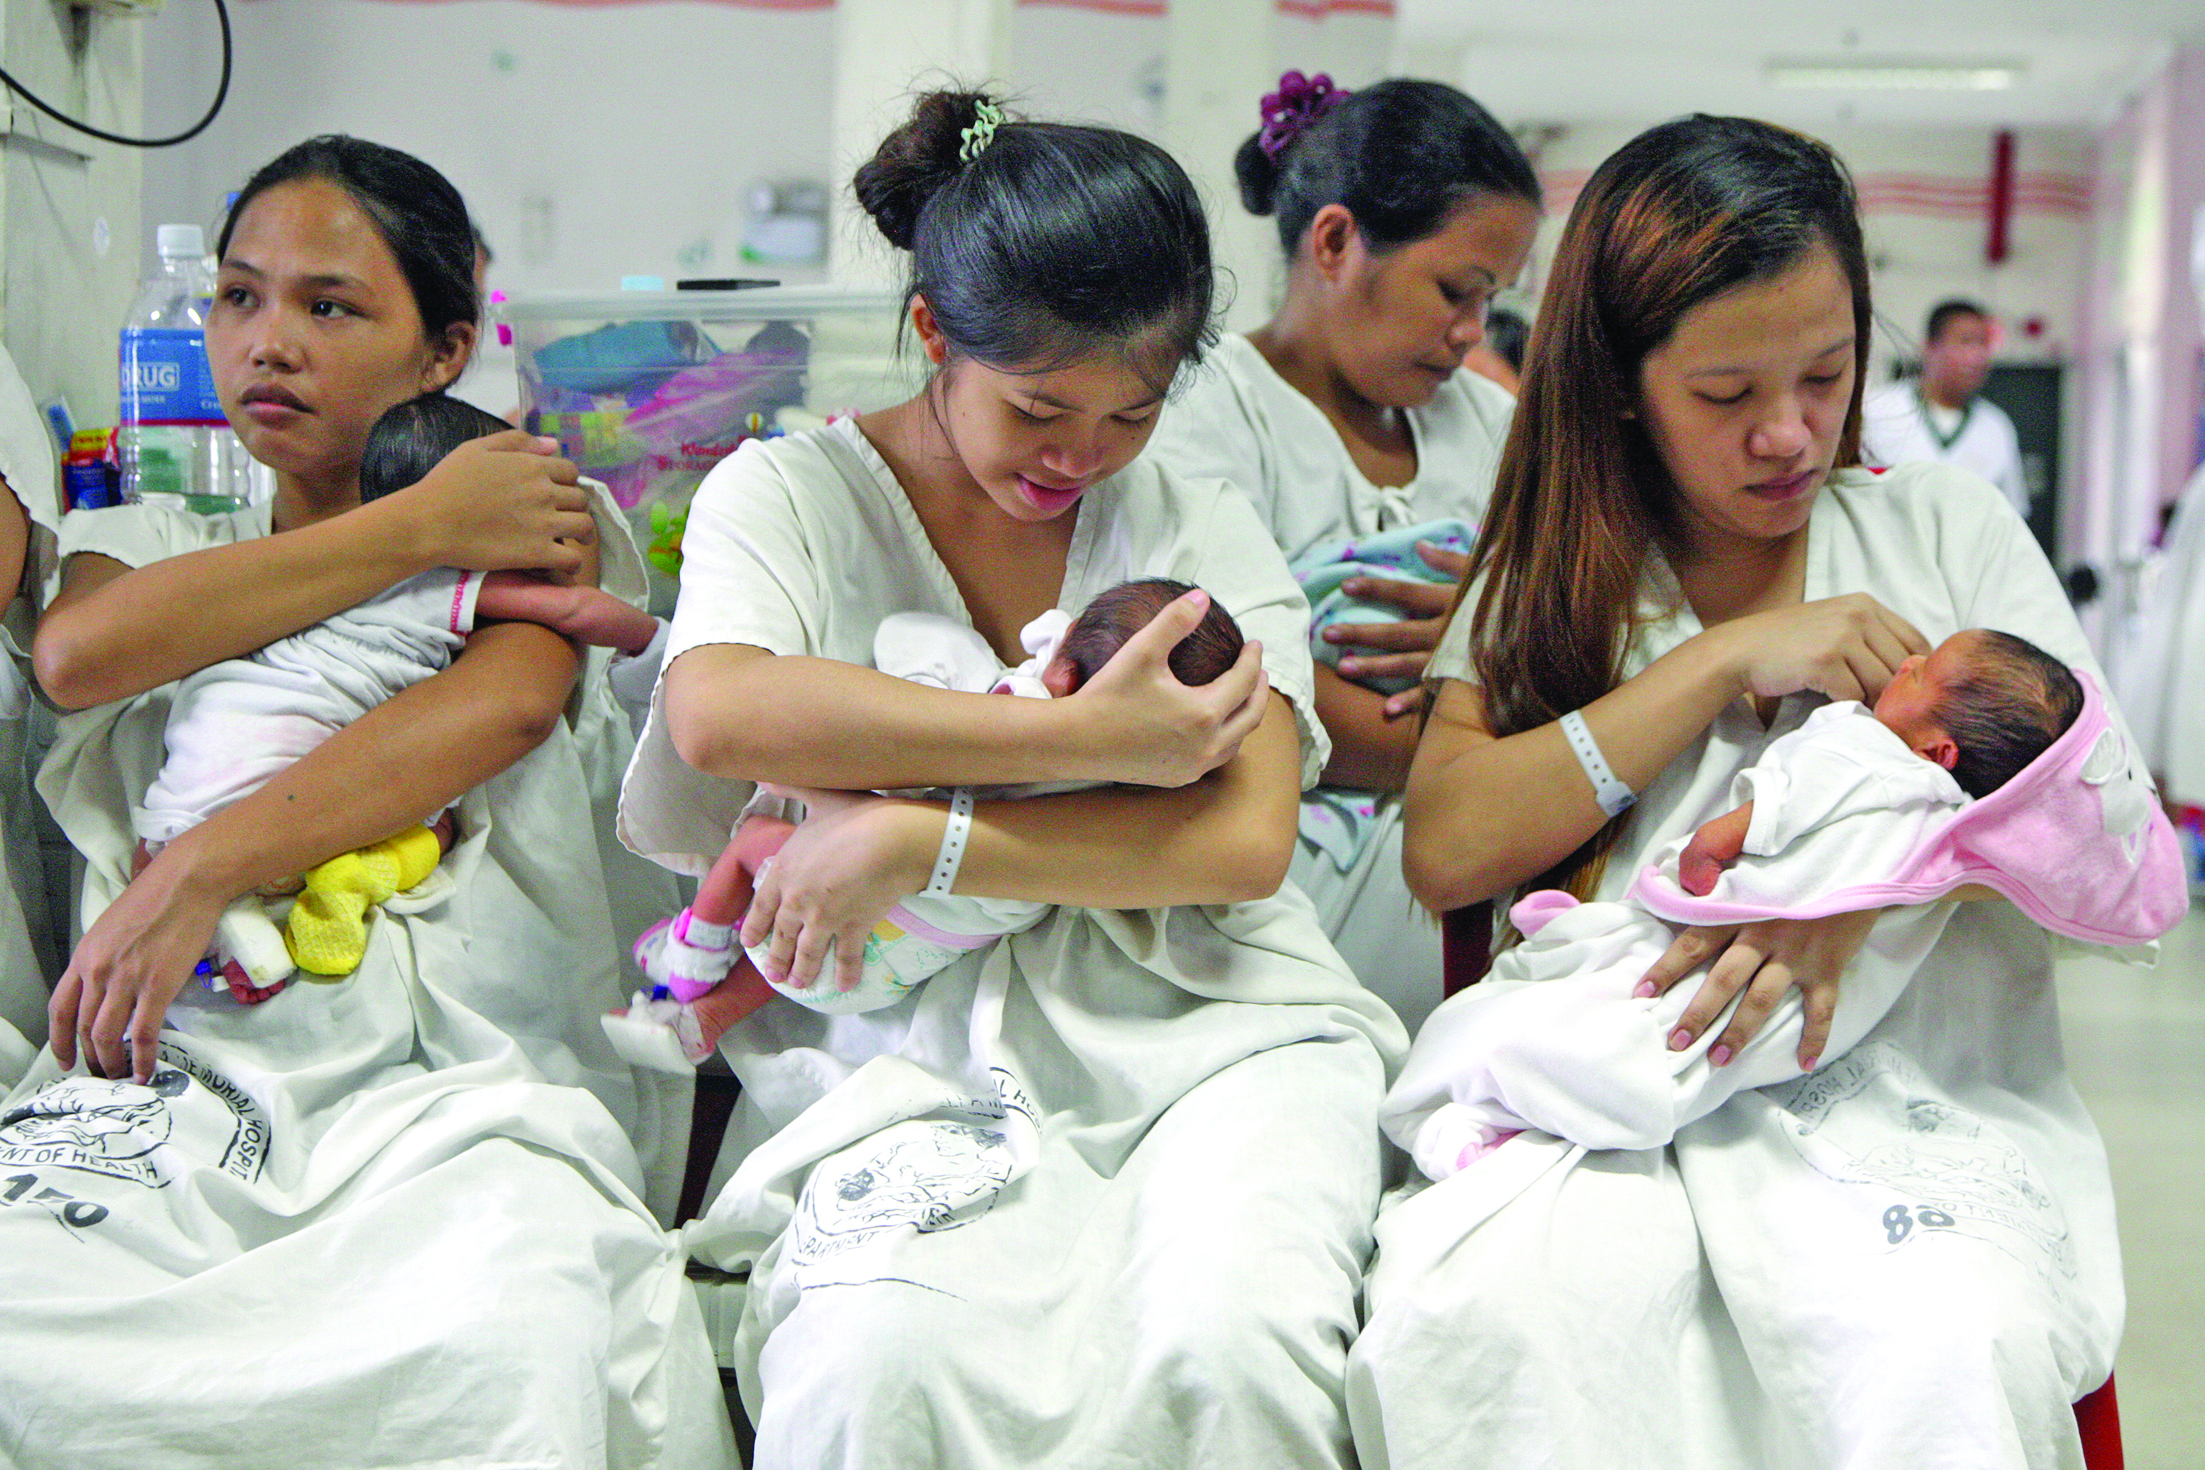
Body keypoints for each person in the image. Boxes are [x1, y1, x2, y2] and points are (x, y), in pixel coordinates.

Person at [618, 89, 1405, 1468]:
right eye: (1038, 408)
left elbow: (1242, 842)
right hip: (903, 1051)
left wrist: (919, 844)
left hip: (1211, 1024)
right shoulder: (788, 496)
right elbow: (720, 713)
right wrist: (1087, 744)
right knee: (883, 1363)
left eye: (1130, 415)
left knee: (1230, 1345)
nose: (1078, 459)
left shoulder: (1195, 522)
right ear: (935, 333)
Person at [1350, 115, 2151, 1470]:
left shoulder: (1941, 532)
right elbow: (1448, 847)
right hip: (1615, 1091)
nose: (1789, 435)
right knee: (1494, 1318)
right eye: (1727, 395)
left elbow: (2114, 831)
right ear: (1620, 385)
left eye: (1826, 376)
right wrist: (1718, 661)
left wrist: (1859, 893)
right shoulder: (1556, 577)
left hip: (1903, 1089)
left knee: (1937, 1343)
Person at [4, 136, 734, 1466]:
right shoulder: (155, 538)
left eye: (329, 306)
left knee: (510, 1338)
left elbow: (502, 705)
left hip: (453, 1091)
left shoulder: (532, 520)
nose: (268, 342)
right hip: (192, 1075)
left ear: (445, 349)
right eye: (239, 296)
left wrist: (203, 866)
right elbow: (76, 656)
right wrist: (412, 527)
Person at [1145, 74, 1542, 1031]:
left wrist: (1502, 639)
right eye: (1454, 291)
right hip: (1275, 909)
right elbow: (1225, 683)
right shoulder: (1205, 413)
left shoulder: (1490, 427)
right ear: (1333, 242)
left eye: (1490, 302)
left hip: (1477, 897)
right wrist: (1501, 731)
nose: (1469, 334)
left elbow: (1579, 633)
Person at [138, 390, 662, 996]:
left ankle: (235, 936)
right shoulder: (449, 583)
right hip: (262, 785)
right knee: (437, 830)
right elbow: (574, 611)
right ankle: (314, 899)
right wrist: (651, 636)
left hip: (181, 787)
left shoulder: (333, 573)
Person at [613, 577, 1246, 1067]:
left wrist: (805, 784)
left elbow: (906, 648)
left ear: (1066, 664)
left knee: (756, 844)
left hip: (876, 910)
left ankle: (692, 952)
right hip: (898, 964)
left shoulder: (1018, 708)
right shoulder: (1150, 776)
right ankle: (705, 1023)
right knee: (797, 952)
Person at [1863, 297, 2030, 518]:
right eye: (1965, 342)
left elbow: (2012, 514)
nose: (1977, 357)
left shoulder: (1996, 427)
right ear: (1929, 347)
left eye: (1983, 344)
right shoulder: (1878, 410)